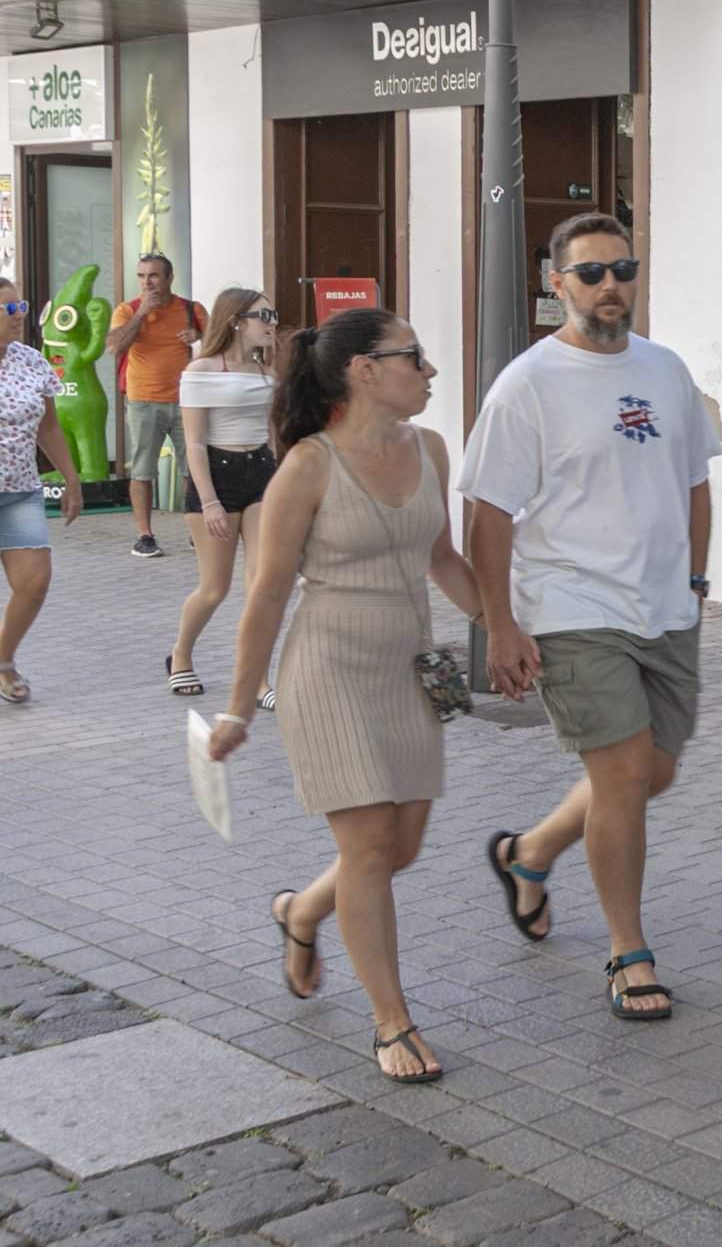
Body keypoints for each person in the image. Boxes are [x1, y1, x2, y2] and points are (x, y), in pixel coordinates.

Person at [203, 308, 484, 1084]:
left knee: (399, 850)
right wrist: (234, 706)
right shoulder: (309, 466)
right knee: (366, 848)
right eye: (414, 356)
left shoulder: (429, 447)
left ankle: (301, 912)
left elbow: (443, 557)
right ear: (363, 371)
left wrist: (503, 624)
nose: (428, 370)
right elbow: (264, 596)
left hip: (412, 668)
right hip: (328, 670)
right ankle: (391, 1020)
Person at [465, 213, 721, 1020]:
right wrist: (501, 626)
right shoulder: (527, 385)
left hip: (665, 605)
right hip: (572, 607)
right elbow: (487, 515)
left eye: (623, 268)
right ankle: (628, 951)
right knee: (619, 777)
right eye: (591, 273)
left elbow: (694, 482)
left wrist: (696, 578)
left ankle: (529, 852)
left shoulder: (667, 368)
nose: (611, 285)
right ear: (557, 283)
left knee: (654, 772)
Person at [166, 289, 279, 702]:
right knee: (215, 587)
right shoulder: (202, 369)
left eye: (273, 314)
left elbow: (271, 432)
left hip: (261, 473)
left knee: (262, 584)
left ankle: (258, 680)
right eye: (262, 315)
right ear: (235, 320)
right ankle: (181, 655)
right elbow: (194, 443)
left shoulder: (266, 370)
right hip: (215, 474)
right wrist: (210, 501)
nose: (271, 322)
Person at [0, 278, 83, 704]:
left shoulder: (31, 361)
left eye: (22, 307)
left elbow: (49, 427)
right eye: (9, 310)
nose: (20, 317)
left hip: (19, 492)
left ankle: (4, 660)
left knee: (34, 583)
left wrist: (71, 478)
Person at [105, 253, 203, 558]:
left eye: (154, 276)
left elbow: (219, 345)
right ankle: (145, 535)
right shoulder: (127, 310)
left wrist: (198, 337)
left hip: (187, 401)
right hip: (144, 401)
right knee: (143, 470)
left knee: (194, 470)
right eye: (142, 276)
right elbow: (114, 347)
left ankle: (195, 530)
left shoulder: (191, 309)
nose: (147, 283)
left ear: (170, 278)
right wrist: (141, 314)